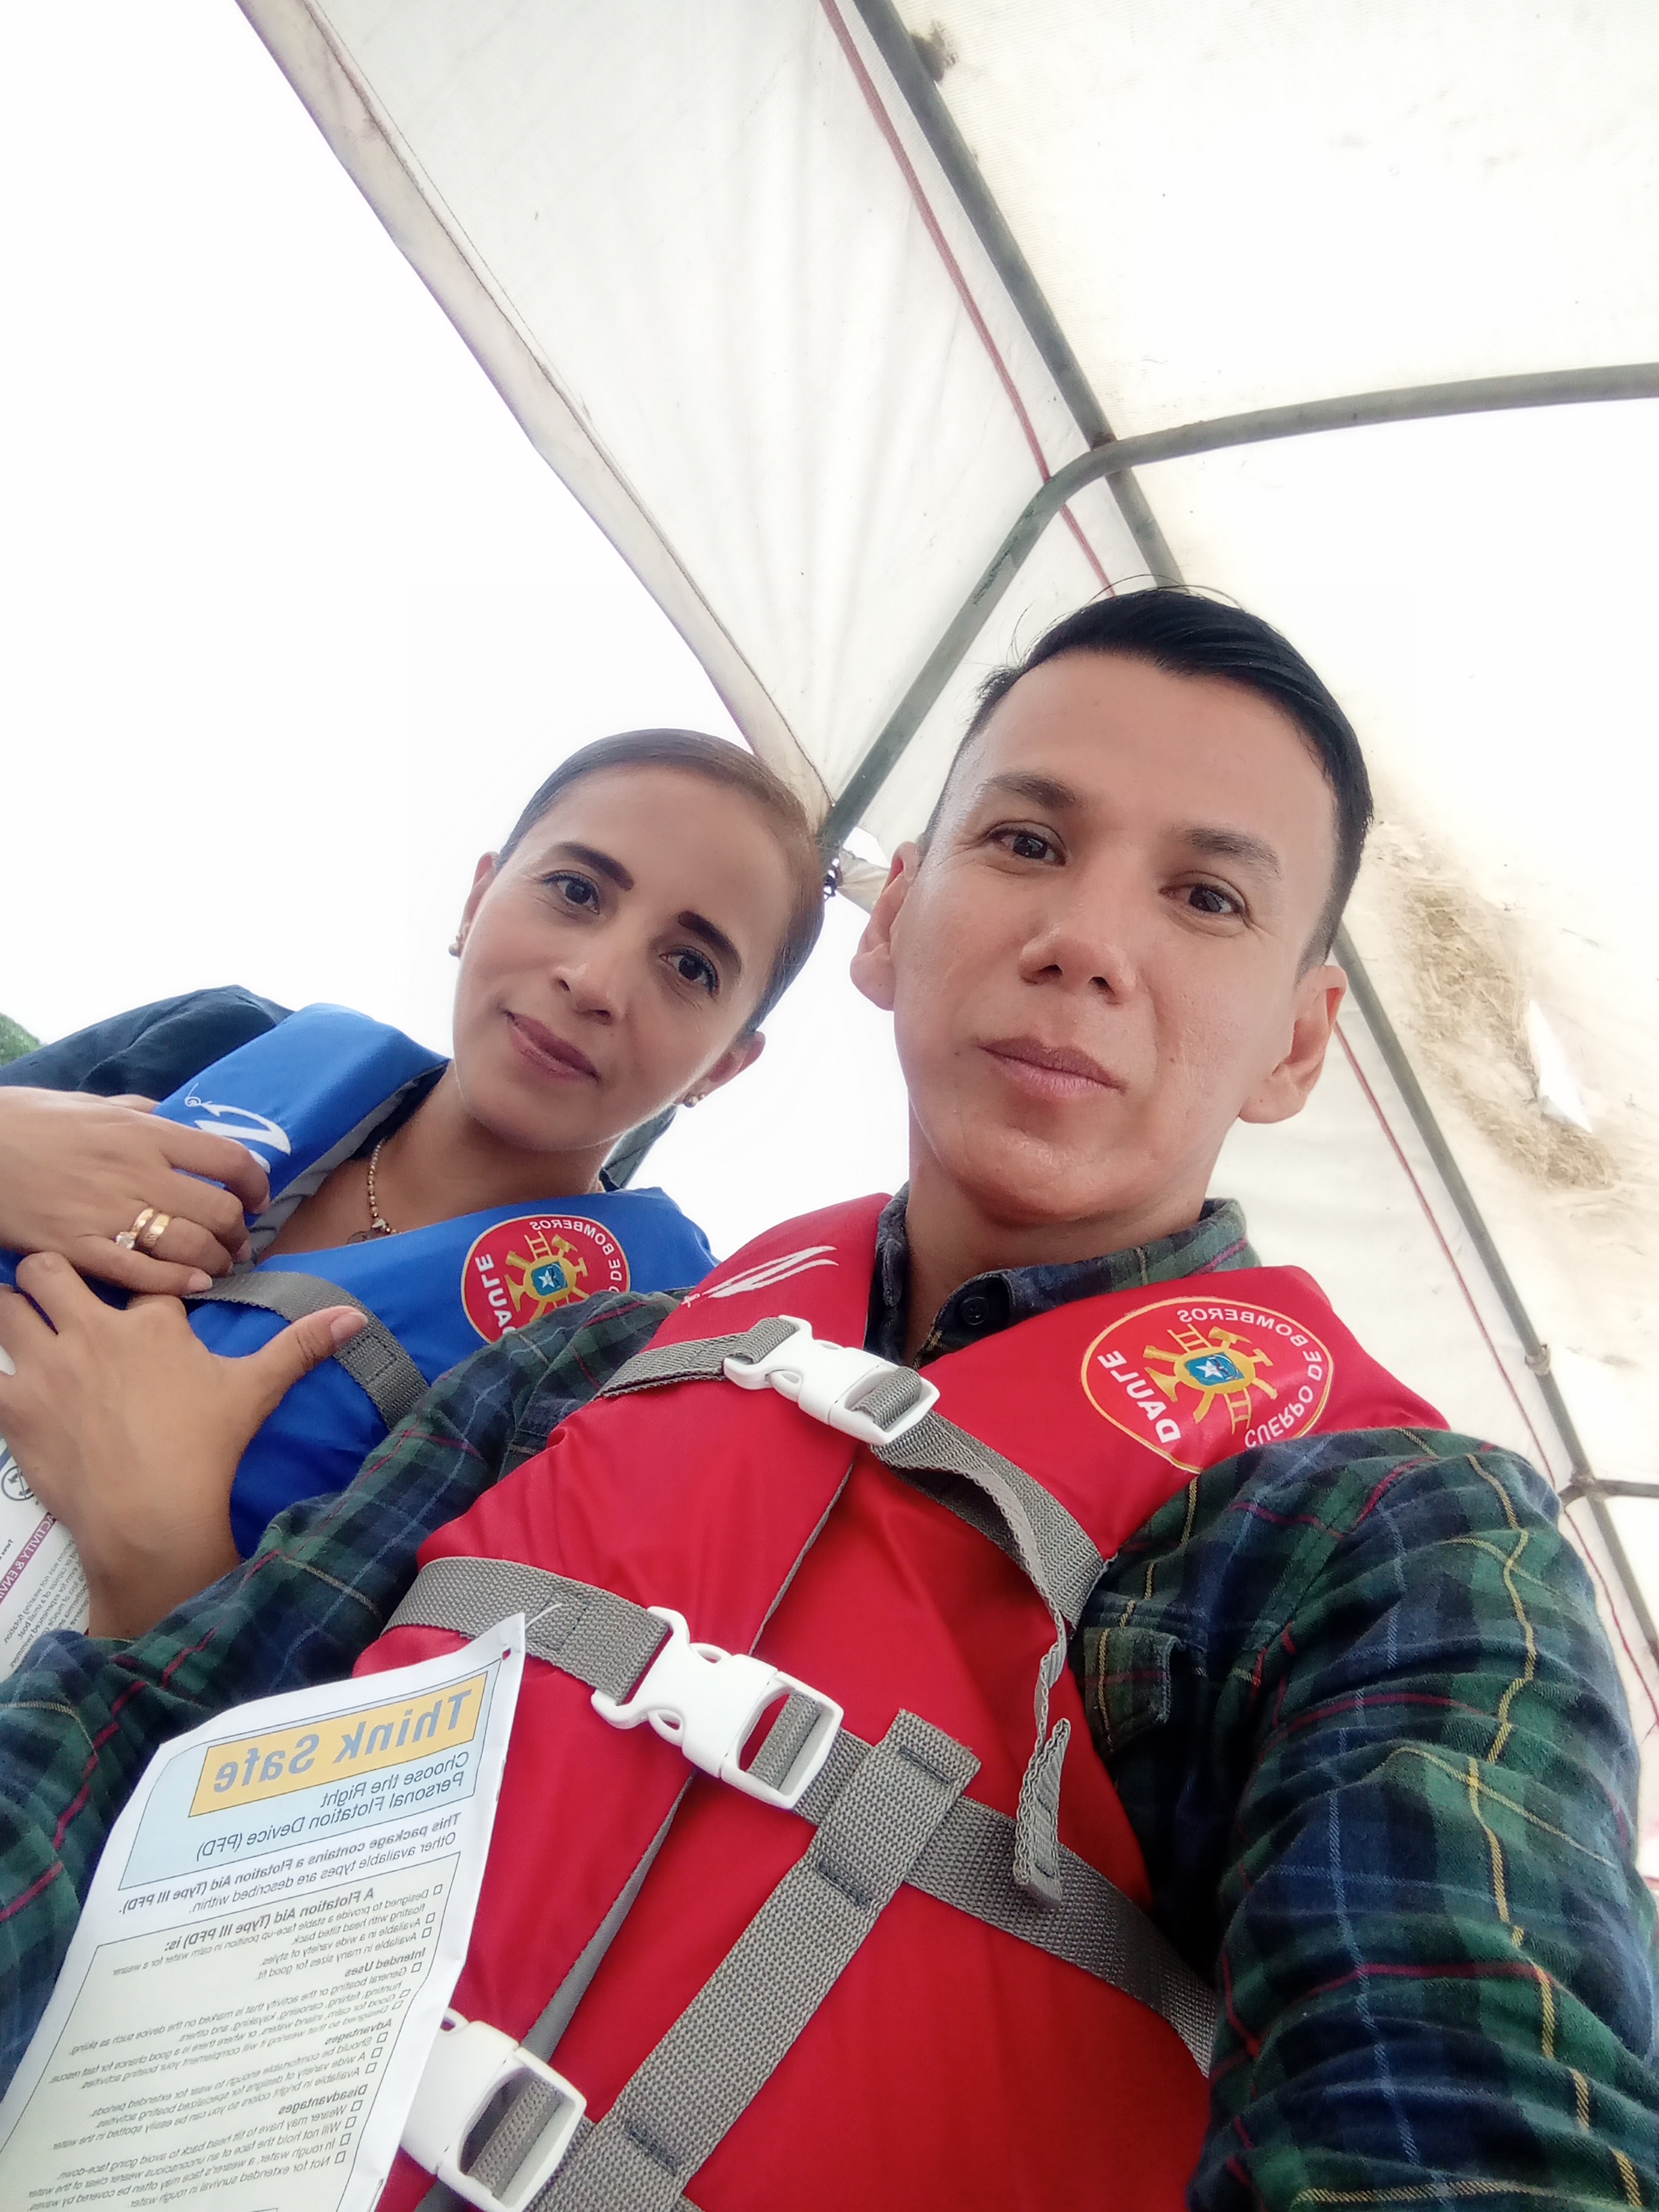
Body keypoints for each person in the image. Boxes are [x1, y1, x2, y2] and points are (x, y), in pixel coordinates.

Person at [0, 590, 1654, 2209]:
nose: (1085, 942)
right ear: (893, 920)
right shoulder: (580, 1360)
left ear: (1298, 1042)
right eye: (1028, 842)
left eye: (1207, 896)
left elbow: (1463, 2098)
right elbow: (144, 1733)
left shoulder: (1388, 1540)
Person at [0, 731, 824, 1631]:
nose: (594, 981)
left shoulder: (628, 1374)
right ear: (477, 899)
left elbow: (426, 1698)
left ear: (723, 1067)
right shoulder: (213, 1041)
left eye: (690, 966)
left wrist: (162, 1548)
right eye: (576, 891)